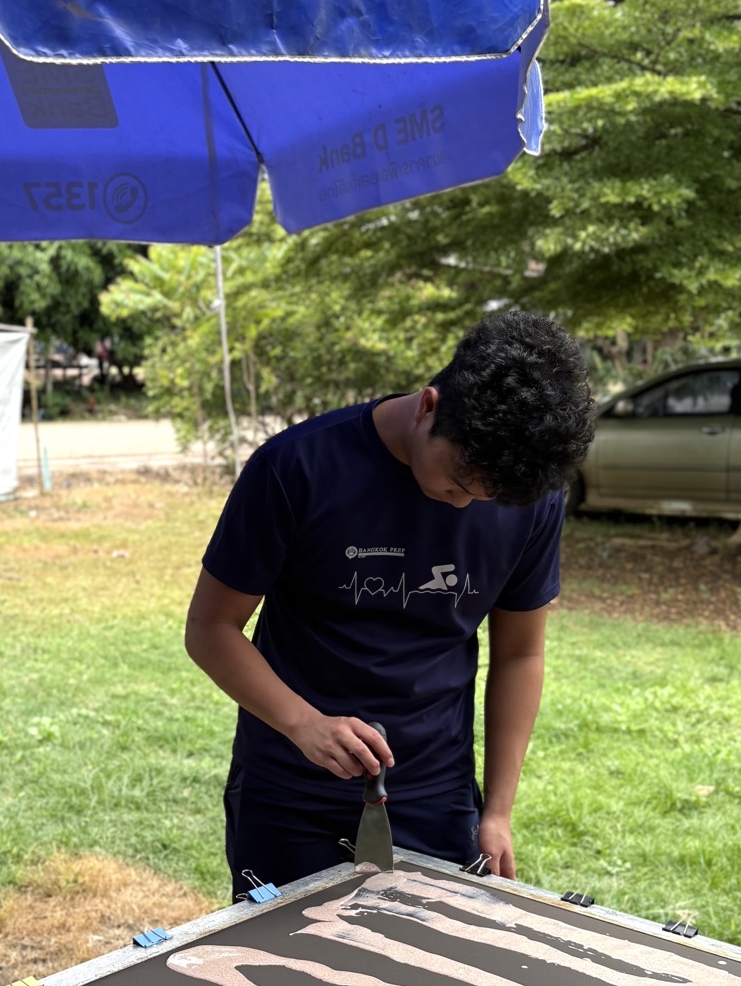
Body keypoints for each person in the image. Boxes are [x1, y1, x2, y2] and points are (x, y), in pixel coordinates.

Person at [184, 310, 594, 896]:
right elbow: (210, 628)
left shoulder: (530, 499)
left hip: (436, 792)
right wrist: (305, 725)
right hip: (290, 789)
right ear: (428, 406)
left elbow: (519, 656)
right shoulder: (296, 467)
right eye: (457, 481)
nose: (461, 506)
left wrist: (497, 811)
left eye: (486, 498)